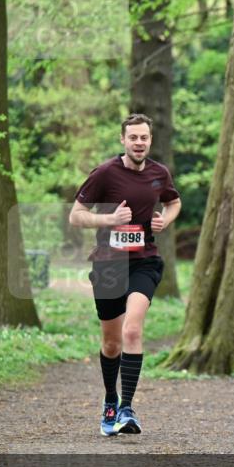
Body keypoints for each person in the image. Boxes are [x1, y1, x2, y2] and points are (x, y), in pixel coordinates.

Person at [68, 113, 181, 437]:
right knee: (112, 342)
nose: (139, 143)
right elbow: (76, 216)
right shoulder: (105, 173)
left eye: (144, 138)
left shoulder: (160, 174)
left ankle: (127, 409)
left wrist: (165, 220)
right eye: (133, 137)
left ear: (150, 140)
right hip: (108, 264)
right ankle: (110, 399)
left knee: (132, 329)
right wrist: (110, 219)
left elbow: (174, 203)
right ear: (123, 140)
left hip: (144, 261)